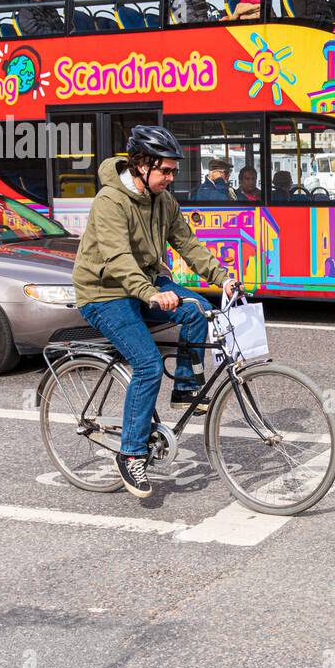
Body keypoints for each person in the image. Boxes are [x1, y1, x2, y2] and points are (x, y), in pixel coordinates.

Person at [72, 125, 243, 498]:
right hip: (103, 293)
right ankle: (131, 453)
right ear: (140, 166)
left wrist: (222, 277)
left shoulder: (163, 201)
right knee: (148, 364)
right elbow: (116, 258)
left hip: (145, 284)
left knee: (197, 310)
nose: (170, 177)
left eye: (172, 171)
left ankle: (184, 389)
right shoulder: (110, 202)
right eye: (164, 170)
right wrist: (151, 293)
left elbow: (187, 243)